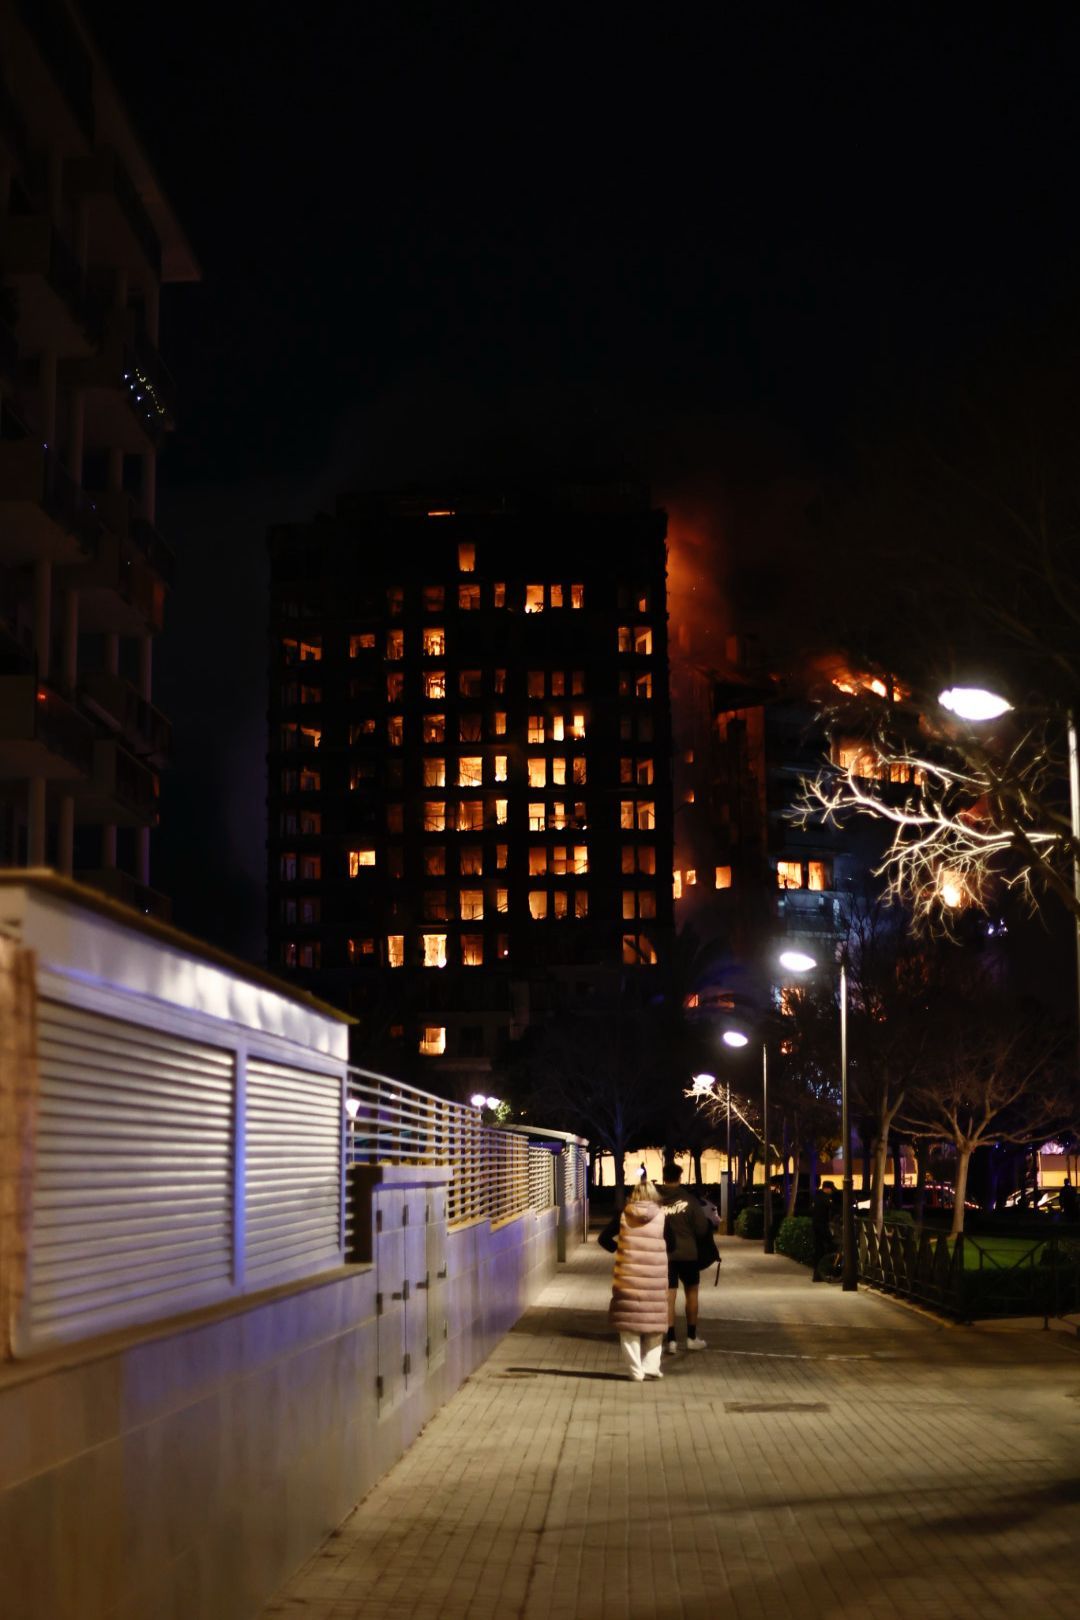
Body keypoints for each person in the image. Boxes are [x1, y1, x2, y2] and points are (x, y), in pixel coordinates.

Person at [609, 1179, 672, 1380]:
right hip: (654, 1280)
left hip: (627, 1280)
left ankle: (636, 1371)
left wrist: (620, 1250)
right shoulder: (662, 1217)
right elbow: (673, 1244)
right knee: (655, 1326)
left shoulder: (624, 1215)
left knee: (629, 1328)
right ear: (654, 1196)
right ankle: (651, 1366)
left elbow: (603, 1239)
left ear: (634, 1195)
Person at [655, 1160, 712, 1352]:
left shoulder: (656, 1200)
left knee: (668, 1298)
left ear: (664, 1178)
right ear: (679, 1178)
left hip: (665, 1255)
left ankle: (670, 1340)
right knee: (692, 1294)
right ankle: (691, 1337)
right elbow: (702, 1228)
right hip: (688, 1254)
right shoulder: (689, 1200)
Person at [811, 1180, 837, 1280]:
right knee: (830, 1246)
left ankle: (817, 1275)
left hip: (816, 1226)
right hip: (822, 1226)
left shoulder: (816, 1197)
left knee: (818, 1250)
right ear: (827, 1189)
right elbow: (832, 1208)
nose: (831, 1192)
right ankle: (828, 1271)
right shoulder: (825, 1198)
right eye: (831, 1189)